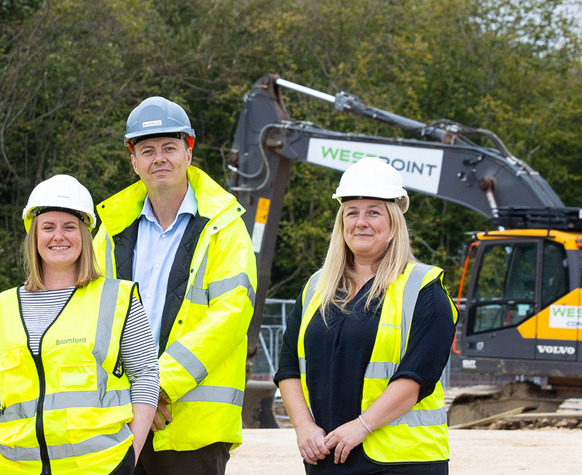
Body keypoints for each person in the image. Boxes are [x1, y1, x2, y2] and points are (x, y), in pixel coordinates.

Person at [92, 96, 257, 474]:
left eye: (169, 147)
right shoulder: (110, 232)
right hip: (119, 421)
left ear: (188, 153)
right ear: (134, 162)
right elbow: (92, 318)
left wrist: (156, 389)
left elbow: (230, 316)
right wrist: (132, 397)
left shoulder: (224, 227)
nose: (159, 158)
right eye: (147, 151)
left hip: (193, 428)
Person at [273, 158, 456, 474]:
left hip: (402, 462)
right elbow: (288, 367)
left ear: (394, 222)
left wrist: (362, 426)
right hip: (328, 455)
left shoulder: (424, 288)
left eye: (373, 212)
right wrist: (303, 426)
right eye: (352, 212)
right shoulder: (317, 287)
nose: (361, 222)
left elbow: (416, 377)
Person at [0, 175, 160, 475]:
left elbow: (146, 376)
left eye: (69, 227)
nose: (58, 236)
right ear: (34, 235)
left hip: (99, 468)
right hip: (12, 468)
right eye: (48, 227)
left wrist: (130, 454)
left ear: (84, 235)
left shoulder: (117, 300)